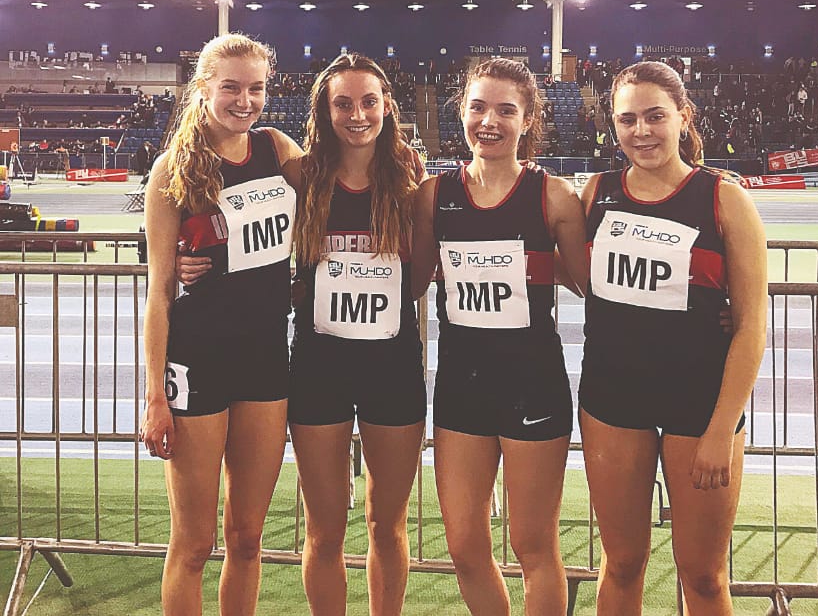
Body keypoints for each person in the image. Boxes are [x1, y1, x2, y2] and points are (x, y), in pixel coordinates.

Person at [577, 61, 766, 616]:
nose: (642, 131)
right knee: (622, 564)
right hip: (612, 402)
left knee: (703, 577)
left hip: (699, 407)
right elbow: (566, 271)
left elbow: (752, 325)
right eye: (628, 119)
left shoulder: (723, 198)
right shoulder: (597, 193)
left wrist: (719, 430)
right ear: (613, 125)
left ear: (683, 117)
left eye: (655, 116)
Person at [412, 58, 588, 616]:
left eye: (505, 110)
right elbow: (407, 279)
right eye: (478, 107)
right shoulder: (432, 196)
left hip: (533, 384)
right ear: (461, 112)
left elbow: (597, 286)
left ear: (528, 117)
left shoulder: (553, 196)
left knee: (533, 545)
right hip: (461, 388)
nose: (489, 121)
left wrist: (715, 307)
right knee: (464, 546)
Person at [139, 33, 301, 616]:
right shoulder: (173, 170)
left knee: (248, 538)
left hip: (265, 362)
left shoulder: (277, 149)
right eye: (230, 87)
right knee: (194, 542)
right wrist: (155, 395)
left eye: (255, 88)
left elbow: (341, 192)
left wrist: (394, 159)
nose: (244, 100)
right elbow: (159, 291)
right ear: (203, 88)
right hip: (198, 360)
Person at [288, 54, 426, 616]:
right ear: (325, 108)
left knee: (385, 524)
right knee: (324, 529)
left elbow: (422, 272)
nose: (357, 114)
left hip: (392, 368)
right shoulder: (300, 175)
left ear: (386, 106)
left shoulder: (411, 177)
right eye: (343, 102)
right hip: (318, 367)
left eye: (369, 101)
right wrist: (187, 255)